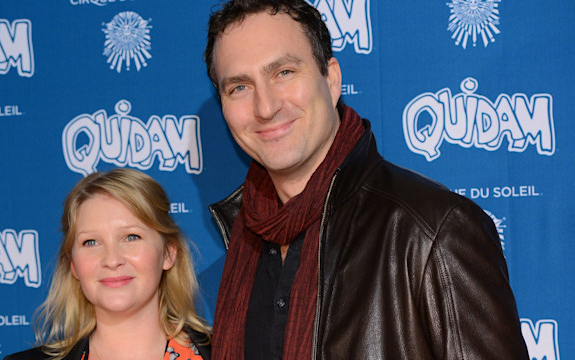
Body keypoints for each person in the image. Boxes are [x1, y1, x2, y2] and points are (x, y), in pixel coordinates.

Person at [204, 0, 529, 359]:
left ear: (331, 80)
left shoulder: (434, 231)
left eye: (283, 72)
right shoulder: (244, 243)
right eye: (239, 87)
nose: (265, 107)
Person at [4, 168, 211, 360]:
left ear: (168, 253)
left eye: (131, 237)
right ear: (73, 265)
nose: (112, 260)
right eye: (91, 242)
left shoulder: (230, 352)